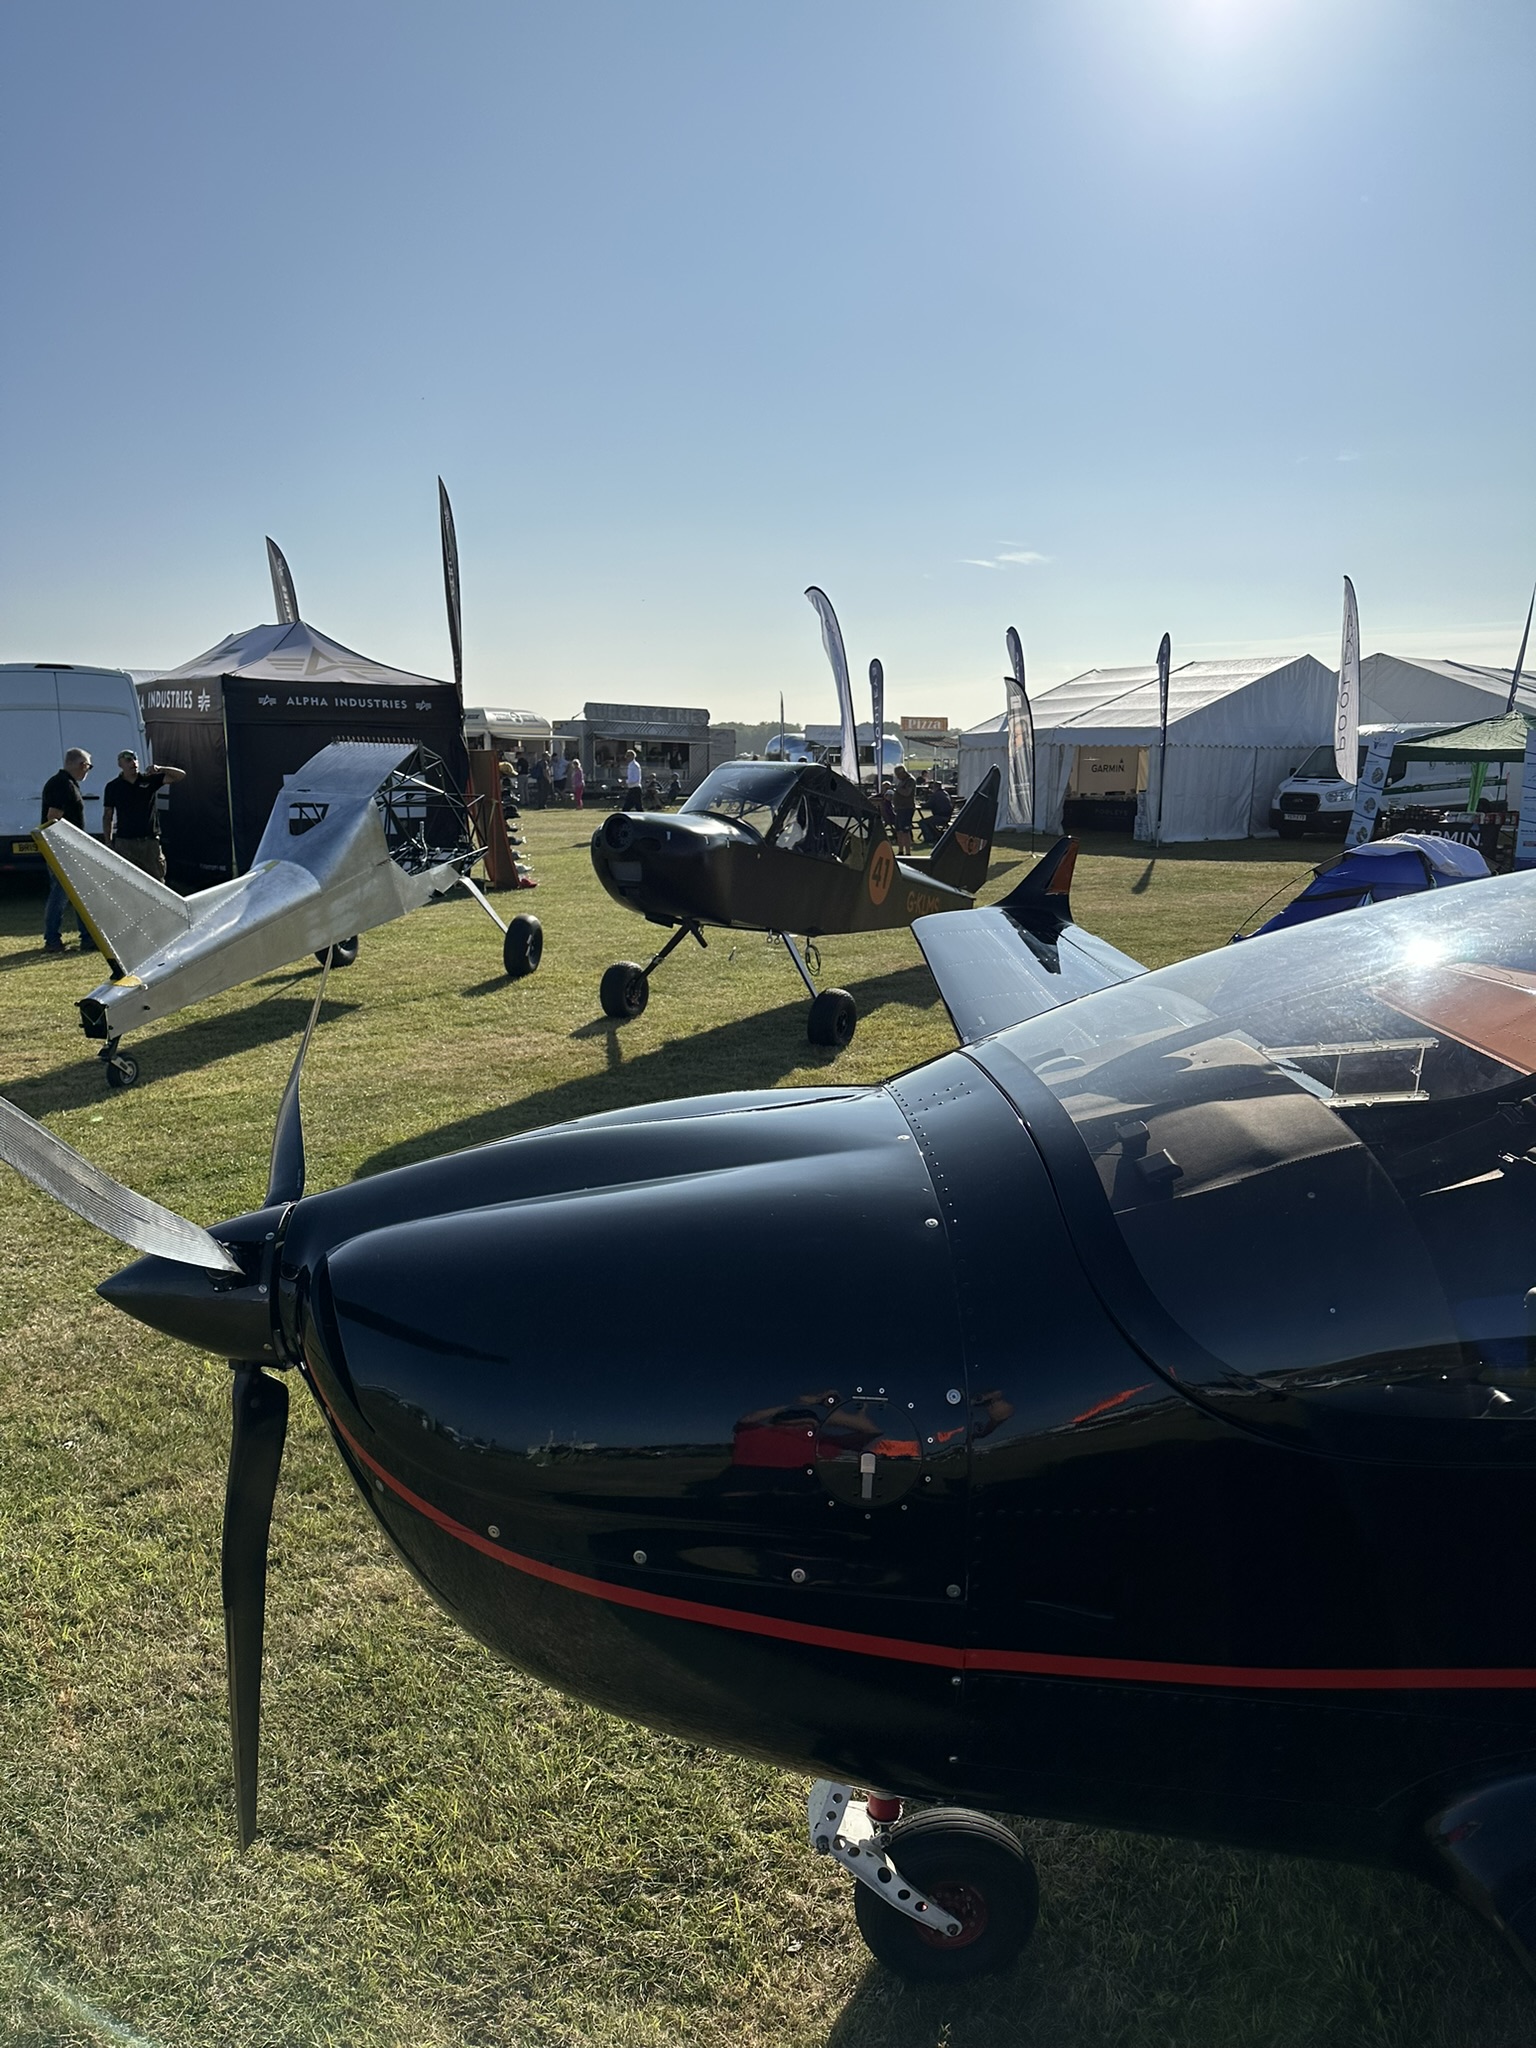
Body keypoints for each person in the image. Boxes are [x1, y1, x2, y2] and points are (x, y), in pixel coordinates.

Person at [101, 749, 186, 880]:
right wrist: (108, 842)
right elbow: (108, 815)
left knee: (156, 880)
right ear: (120, 764)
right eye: (128, 760)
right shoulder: (113, 786)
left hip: (149, 842)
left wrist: (160, 768)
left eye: (135, 759)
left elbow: (180, 775)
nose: (133, 763)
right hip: (126, 842)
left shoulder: (149, 780)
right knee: (127, 880)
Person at [40, 748, 92, 952]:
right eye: (88, 766)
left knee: (76, 893)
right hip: (63, 849)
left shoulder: (66, 783)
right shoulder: (62, 785)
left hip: (66, 848)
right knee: (60, 894)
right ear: (81, 765)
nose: (87, 771)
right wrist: (65, 847)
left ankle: (87, 937)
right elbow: (53, 818)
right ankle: (53, 939)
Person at [890, 766, 917, 854]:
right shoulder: (902, 781)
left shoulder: (910, 780)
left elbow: (907, 793)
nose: (897, 777)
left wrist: (897, 789)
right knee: (899, 830)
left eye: (898, 775)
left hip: (906, 808)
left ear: (903, 773)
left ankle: (908, 852)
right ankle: (900, 850)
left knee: (905, 831)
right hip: (899, 809)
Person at [623, 748, 644, 813]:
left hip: (635, 788)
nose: (626, 757)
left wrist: (625, 782)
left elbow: (635, 779)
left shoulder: (634, 765)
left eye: (628, 756)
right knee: (633, 807)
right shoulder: (631, 765)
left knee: (637, 807)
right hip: (632, 788)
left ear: (632, 756)